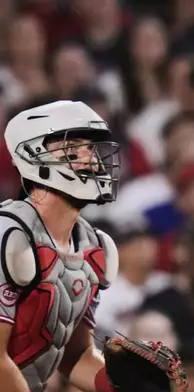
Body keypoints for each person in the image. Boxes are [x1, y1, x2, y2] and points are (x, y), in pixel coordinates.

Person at [0, 100, 121, 391]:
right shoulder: (8, 235)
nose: (90, 160)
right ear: (32, 155)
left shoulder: (94, 248)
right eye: (71, 149)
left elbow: (73, 356)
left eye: (91, 149)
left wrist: (127, 386)